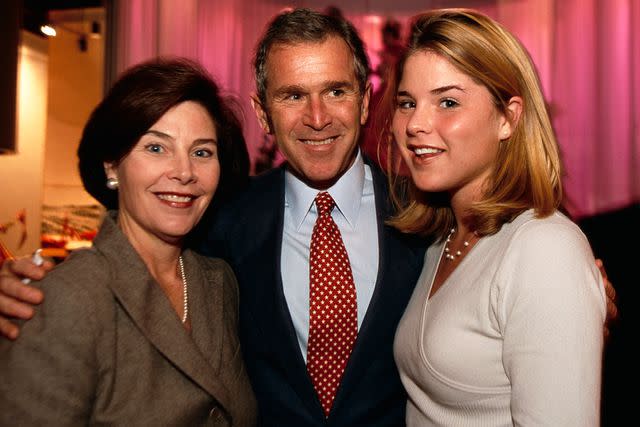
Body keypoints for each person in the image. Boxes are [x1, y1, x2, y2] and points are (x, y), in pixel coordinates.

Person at [0, 7, 617, 427]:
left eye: (336, 91)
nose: (317, 117)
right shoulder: (221, 222)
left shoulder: (423, 212)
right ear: (264, 115)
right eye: (293, 95)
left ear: (366, 98)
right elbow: (137, 260)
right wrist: (21, 291)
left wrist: (581, 292)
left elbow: (519, 274)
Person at [0, 57, 257, 425]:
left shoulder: (219, 283)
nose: (184, 172)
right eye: (156, 148)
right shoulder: (63, 299)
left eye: (202, 152)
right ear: (111, 166)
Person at [385, 9, 606, 425]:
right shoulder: (441, 239)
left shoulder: (545, 248)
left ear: (508, 117)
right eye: (407, 103)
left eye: (447, 102)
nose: (415, 123)